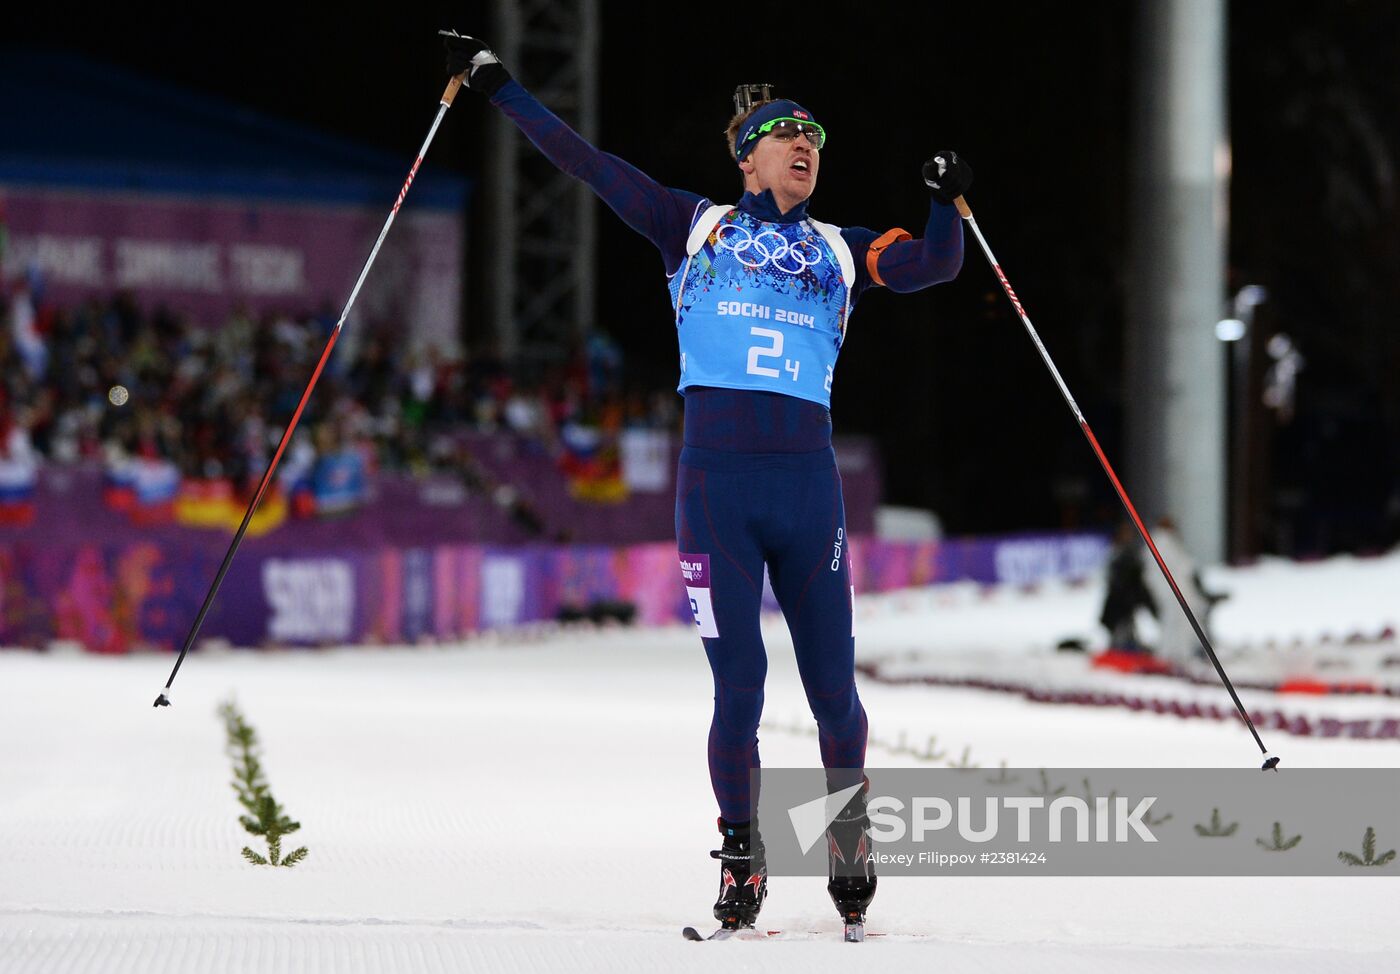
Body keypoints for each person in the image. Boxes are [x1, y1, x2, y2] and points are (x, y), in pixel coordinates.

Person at [443, 32, 969, 934]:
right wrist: (502, 89)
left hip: (807, 490)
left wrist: (945, 200)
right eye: (789, 132)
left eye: (818, 138)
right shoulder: (695, 226)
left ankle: (847, 837)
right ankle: (742, 860)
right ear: (748, 152)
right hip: (716, 493)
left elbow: (938, 264)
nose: (809, 145)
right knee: (740, 688)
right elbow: (585, 162)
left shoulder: (843, 250)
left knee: (834, 689)